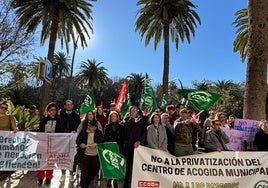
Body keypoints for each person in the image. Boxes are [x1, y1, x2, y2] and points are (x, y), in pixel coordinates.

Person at [36, 102, 62, 186]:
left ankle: (48, 178)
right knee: (42, 161)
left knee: (51, 161)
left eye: (55, 110)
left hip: (54, 144)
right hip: (43, 143)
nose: (53, 111)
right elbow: (39, 130)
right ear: (48, 111)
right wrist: (28, 131)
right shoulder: (44, 120)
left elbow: (62, 131)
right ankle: (40, 178)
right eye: (51, 110)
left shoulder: (59, 120)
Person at [122, 106, 147, 188]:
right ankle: (126, 184)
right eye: (132, 110)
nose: (134, 112)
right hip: (128, 147)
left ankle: (135, 183)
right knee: (128, 167)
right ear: (129, 112)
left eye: (135, 110)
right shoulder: (126, 119)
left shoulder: (142, 120)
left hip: (138, 148)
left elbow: (144, 133)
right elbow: (126, 128)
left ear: (137, 111)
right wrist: (132, 119)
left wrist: (139, 141)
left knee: (136, 167)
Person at [76, 119, 104, 188]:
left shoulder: (99, 133)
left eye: (91, 126)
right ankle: (83, 185)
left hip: (95, 155)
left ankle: (87, 182)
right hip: (85, 155)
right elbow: (78, 140)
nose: (89, 127)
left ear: (95, 128)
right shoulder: (83, 132)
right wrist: (81, 144)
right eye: (89, 125)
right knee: (83, 172)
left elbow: (102, 141)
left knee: (95, 170)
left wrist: (96, 144)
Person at [59, 99, 81, 183]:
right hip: (62, 139)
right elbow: (59, 125)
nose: (68, 106)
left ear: (72, 106)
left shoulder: (76, 115)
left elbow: (78, 126)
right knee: (62, 157)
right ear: (65, 106)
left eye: (70, 104)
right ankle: (63, 174)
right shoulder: (61, 114)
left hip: (72, 140)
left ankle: (71, 174)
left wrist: (75, 130)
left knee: (71, 157)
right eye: (67, 104)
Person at [104, 111, 125, 188]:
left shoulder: (121, 127)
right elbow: (105, 137)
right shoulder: (107, 126)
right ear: (110, 118)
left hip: (118, 148)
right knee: (110, 164)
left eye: (114, 116)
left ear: (117, 118)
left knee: (116, 165)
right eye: (112, 116)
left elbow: (123, 138)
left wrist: (119, 145)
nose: (113, 118)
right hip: (110, 148)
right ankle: (109, 179)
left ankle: (115, 180)